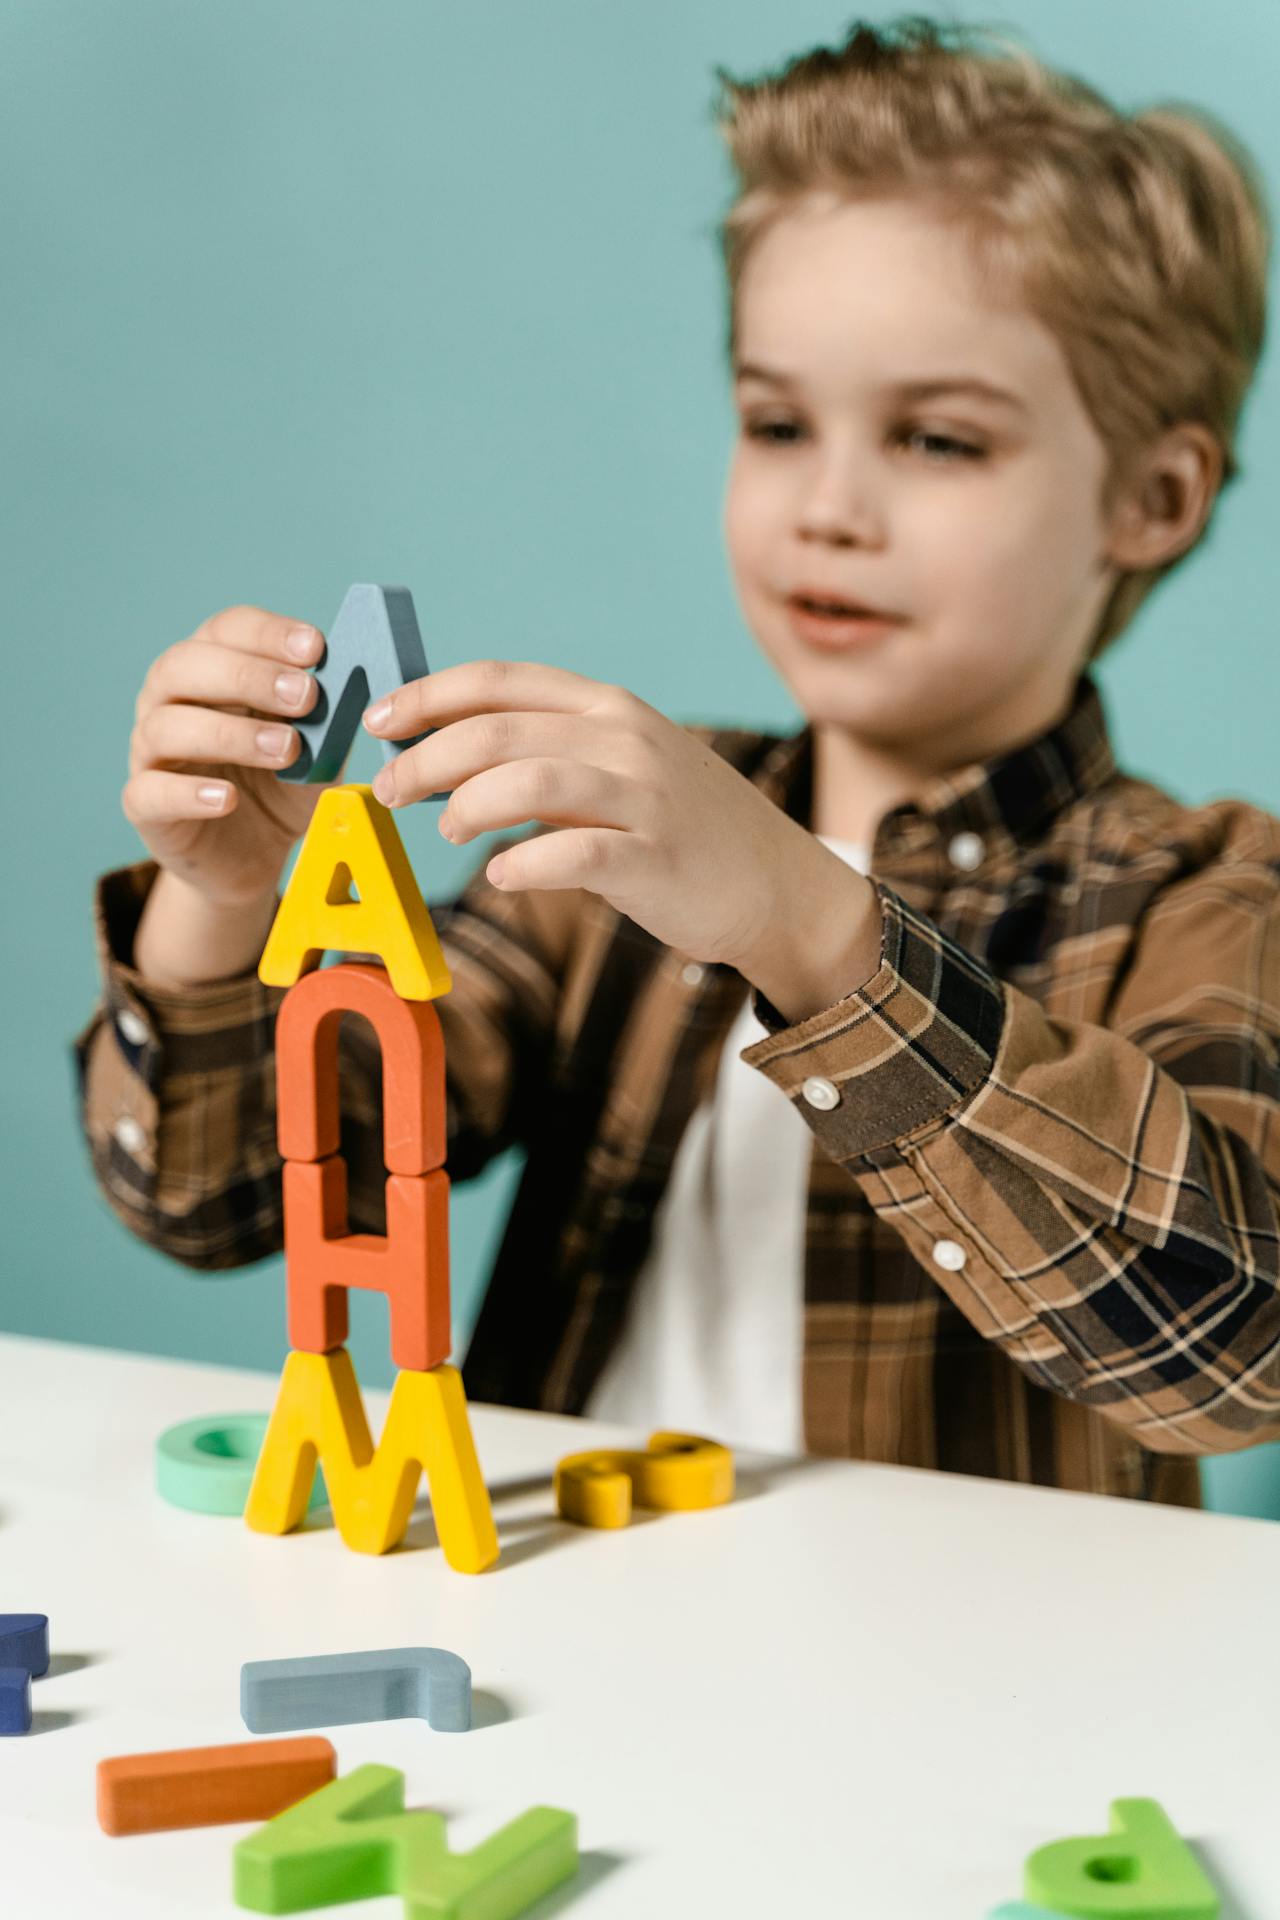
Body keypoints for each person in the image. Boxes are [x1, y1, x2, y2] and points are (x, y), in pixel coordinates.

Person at [76, 17, 1279, 1506]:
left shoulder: (1206, 889)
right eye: (778, 422)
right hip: (581, 1638)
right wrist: (224, 908)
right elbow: (223, 1197)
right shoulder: (607, 850)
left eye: (940, 442)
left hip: (969, 1702)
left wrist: (805, 922)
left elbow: (1231, 1351)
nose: (829, 507)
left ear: (1152, 502)